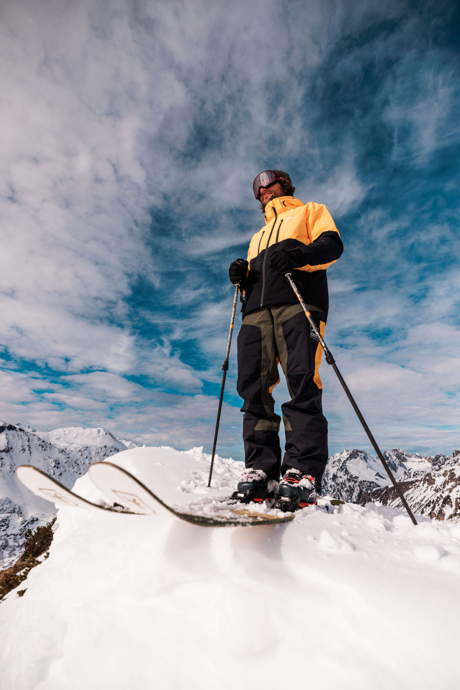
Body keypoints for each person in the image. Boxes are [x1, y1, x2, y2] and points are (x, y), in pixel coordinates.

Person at [228, 170, 343, 509]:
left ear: (285, 183)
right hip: (256, 314)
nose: (261, 188)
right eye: (255, 186)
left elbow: (331, 246)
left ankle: (301, 472)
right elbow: (257, 280)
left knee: (301, 382)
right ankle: (261, 472)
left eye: (267, 181)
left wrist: (299, 255)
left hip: (298, 304)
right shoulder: (257, 237)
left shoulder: (310, 211)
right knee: (253, 390)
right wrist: (243, 278)